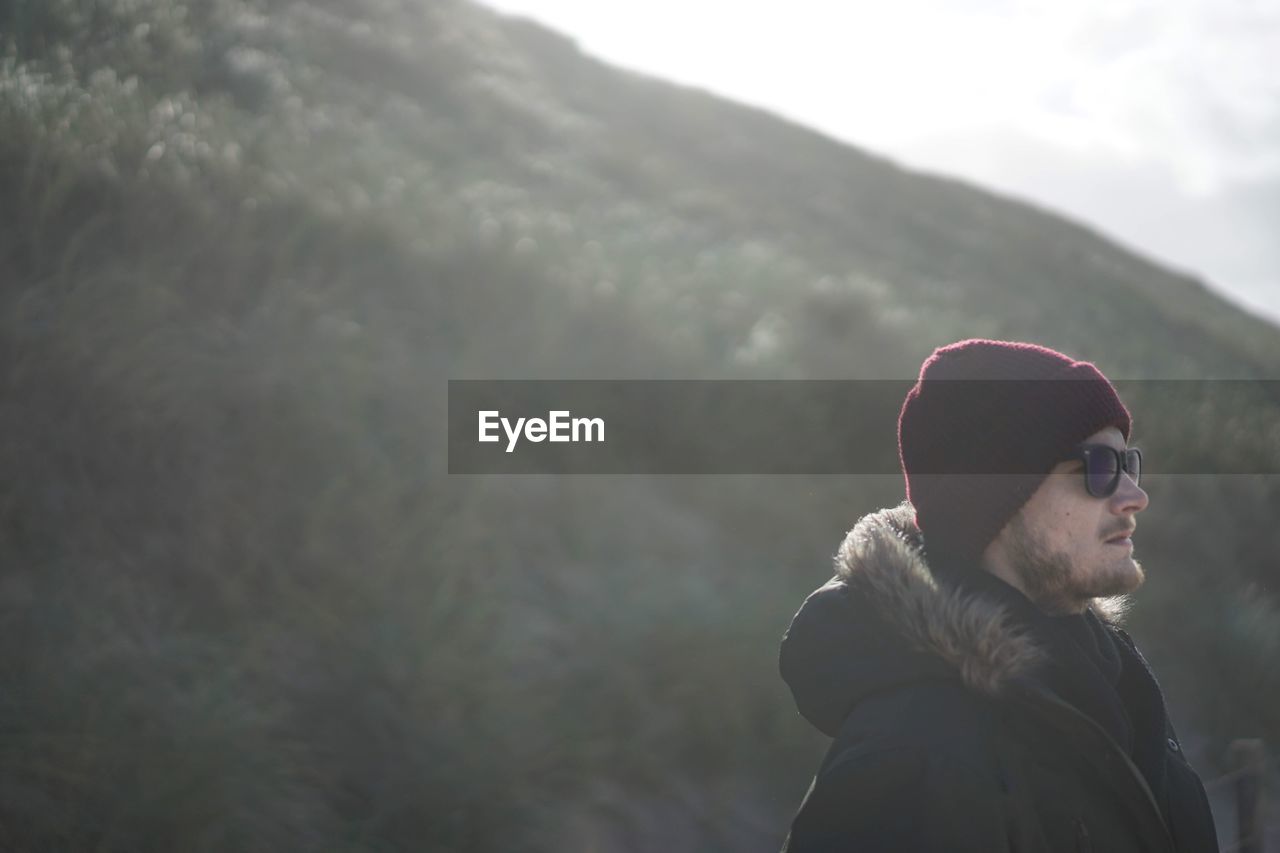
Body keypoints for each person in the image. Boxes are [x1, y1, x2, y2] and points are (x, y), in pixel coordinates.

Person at [779, 339, 1220, 852]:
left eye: (1129, 464)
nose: (1134, 496)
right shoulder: (913, 759)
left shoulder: (1113, 689)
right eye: (1098, 468)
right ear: (996, 499)